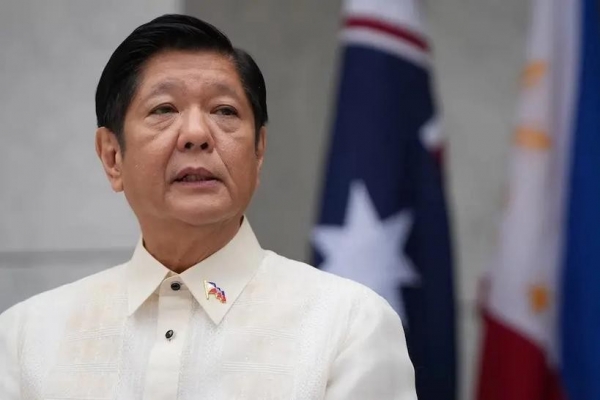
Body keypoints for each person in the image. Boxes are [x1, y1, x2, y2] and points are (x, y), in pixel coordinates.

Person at [0, 14, 417, 399]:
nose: (197, 134)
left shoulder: (348, 325)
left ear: (258, 151)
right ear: (112, 157)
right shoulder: (25, 339)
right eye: (164, 109)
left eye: (224, 111)